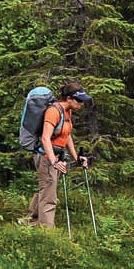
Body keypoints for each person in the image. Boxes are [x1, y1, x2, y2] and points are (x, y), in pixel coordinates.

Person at [28, 82, 91, 229]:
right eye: (79, 100)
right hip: (46, 157)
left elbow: (67, 135)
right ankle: (47, 230)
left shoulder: (67, 112)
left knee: (46, 188)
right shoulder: (54, 111)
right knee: (49, 195)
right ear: (69, 98)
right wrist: (53, 161)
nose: (81, 104)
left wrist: (77, 158)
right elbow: (45, 138)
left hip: (55, 156)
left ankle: (31, 220)